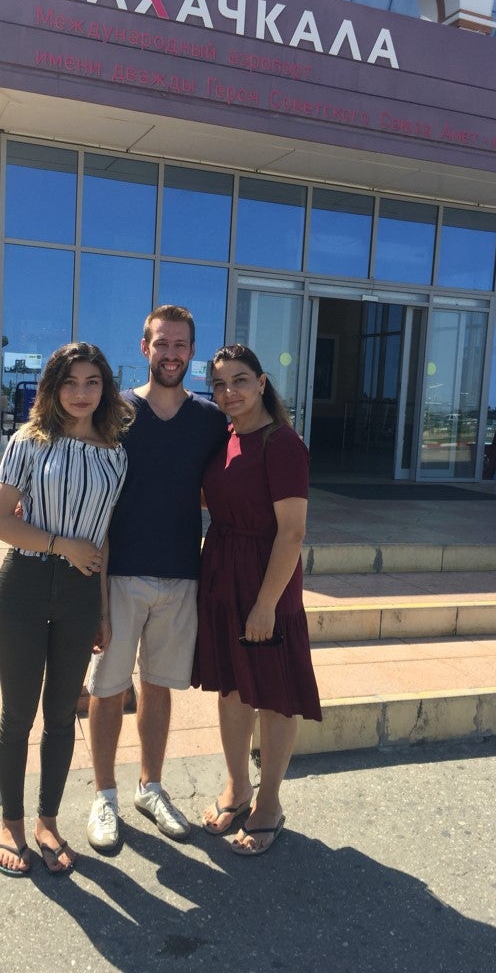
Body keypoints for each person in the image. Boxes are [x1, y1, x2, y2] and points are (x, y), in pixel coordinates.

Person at [85, 305, 228, 853]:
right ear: (143, 347)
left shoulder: (211, 420)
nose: (171, 354)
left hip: (182, 574)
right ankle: (104, 796)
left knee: (161, 686)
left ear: (192, 352)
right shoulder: (114, 413)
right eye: (161, 344)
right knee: (107, 688)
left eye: (181, 345)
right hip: (120, 572)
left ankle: (151, 787)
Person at [0, 342, 133, 876]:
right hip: (23, 585)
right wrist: (60, 543)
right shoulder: (28, 441)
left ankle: (48, 820)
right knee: (18, 712)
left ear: (105, 389)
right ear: (52, 387)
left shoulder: (116, 454)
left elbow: (105, 538)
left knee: (61, 715)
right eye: (70, 382)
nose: (80, 393)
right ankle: (11, 822)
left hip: (79, 594)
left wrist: (103, 611)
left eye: (92, 382)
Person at [192, 344, 322, 857]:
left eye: (240, 381)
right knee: (229, 686)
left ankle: (269, 802)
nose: (229, 392)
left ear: (262, 383)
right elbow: (215, 496)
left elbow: (292, 532)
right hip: (222, 569)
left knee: (271, 694)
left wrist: (267, 604)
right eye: (220, 384)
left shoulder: (282, 443)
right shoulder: (223, 437)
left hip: (267, 576)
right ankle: (237, 786)